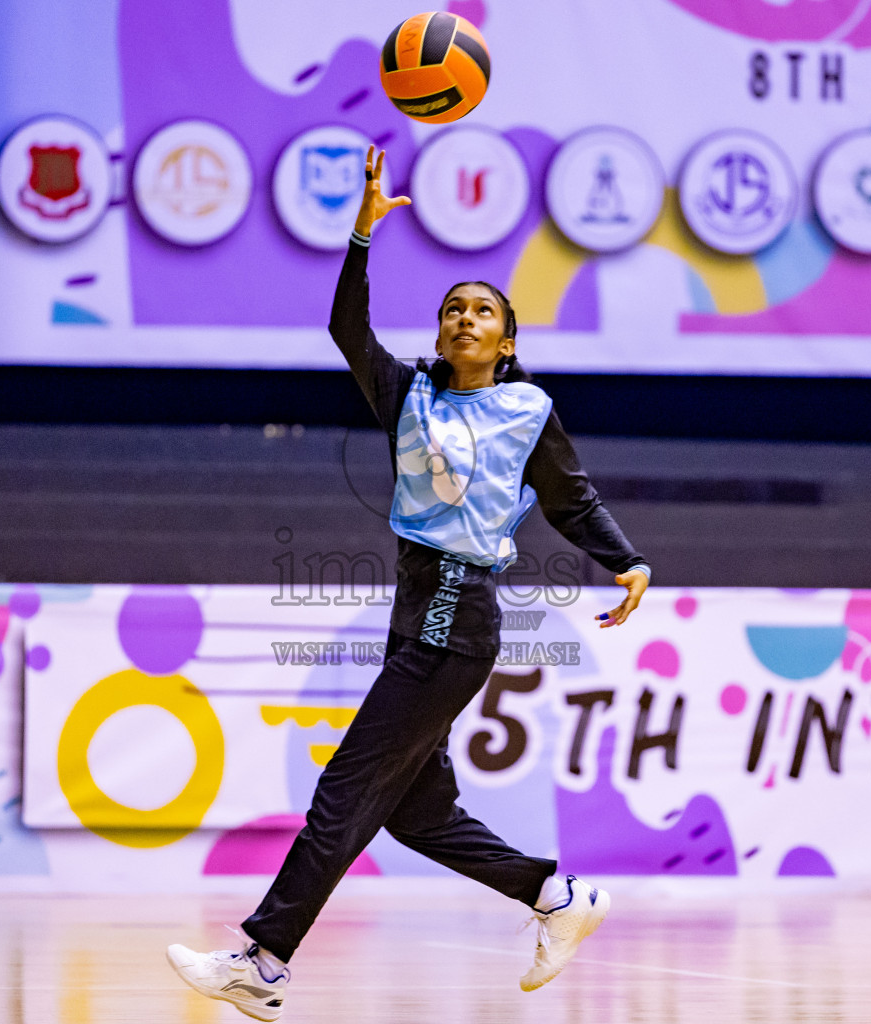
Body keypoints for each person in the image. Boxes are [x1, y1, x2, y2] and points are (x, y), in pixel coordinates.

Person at [167, 148, 651, 1022]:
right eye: (452, 310)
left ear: (507, 342)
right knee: (418, 816)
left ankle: (263, 960)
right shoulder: (409, 395)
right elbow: (346, 331)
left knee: (345, 790)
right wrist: (361, 235)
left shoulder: (527, 409)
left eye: (484, 312)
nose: (465, 318)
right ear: (439, 334)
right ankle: (557, 898)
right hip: (416, 609)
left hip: (456, 613)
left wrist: (626, 559)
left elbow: (571, 497)